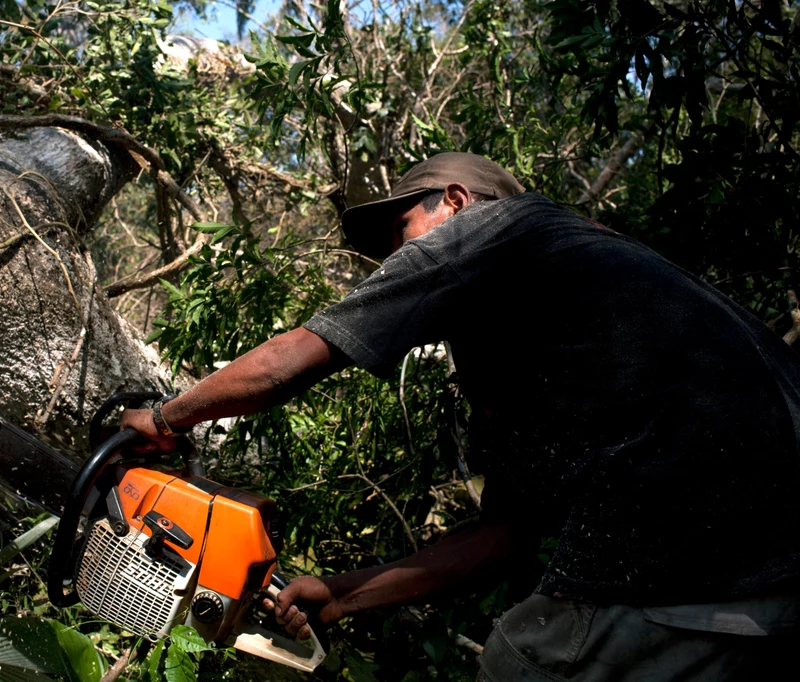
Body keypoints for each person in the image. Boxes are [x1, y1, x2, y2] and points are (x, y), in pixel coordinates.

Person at [121, 152, 800, 680]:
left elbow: (294, 357)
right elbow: (503, 537)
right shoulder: (560, 329)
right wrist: (341, 594)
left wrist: (167, 417)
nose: (395, 260)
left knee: (524, 662)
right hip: (768, 580)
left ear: (454, 202)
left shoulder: (498, 229)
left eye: (400, 232)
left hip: (706, 565)